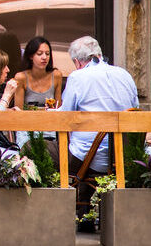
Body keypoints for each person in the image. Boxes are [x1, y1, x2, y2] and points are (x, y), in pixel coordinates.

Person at [55, 36, 138, 230]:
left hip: (88, 159)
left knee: (38, 149)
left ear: (77, 62)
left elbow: (65, 117)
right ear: (99, 54)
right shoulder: (124, 74)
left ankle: (53, 222)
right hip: (123, 157)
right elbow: (134, 109)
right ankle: (86, 219)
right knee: (86, 152)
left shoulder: (78, 76)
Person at [12, 37, 64, 154]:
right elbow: (18, 111)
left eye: (47, 54)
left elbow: (58, 108)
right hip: (27, 128)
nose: (44, 57)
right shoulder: (21, 77)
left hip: (49, 127)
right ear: (31, 56)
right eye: (39, 54)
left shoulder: (56, 75)